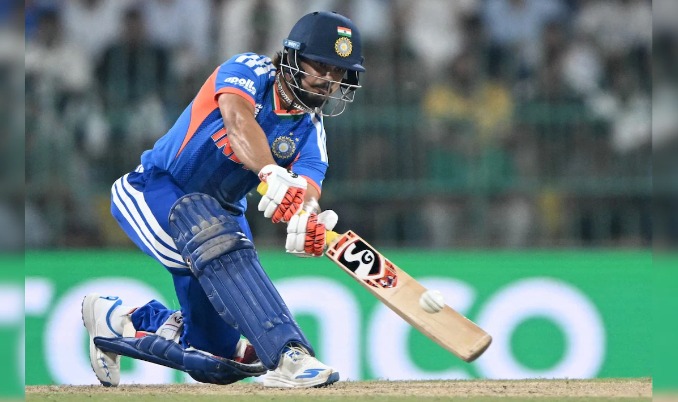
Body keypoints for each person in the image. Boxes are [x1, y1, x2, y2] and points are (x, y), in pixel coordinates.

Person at [81, 11, 364, 388]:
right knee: (215, 233)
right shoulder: (249, 69)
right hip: (154, 190)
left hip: (218, 219)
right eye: (321, 66)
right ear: (293, 56)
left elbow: (308, 188)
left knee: (216, 361)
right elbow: (237, 120)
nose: (328, 80)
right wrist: (270, 170)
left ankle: (119, 320)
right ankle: (289, 354)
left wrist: (308, 217)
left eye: (338, 72)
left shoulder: (312, 132)